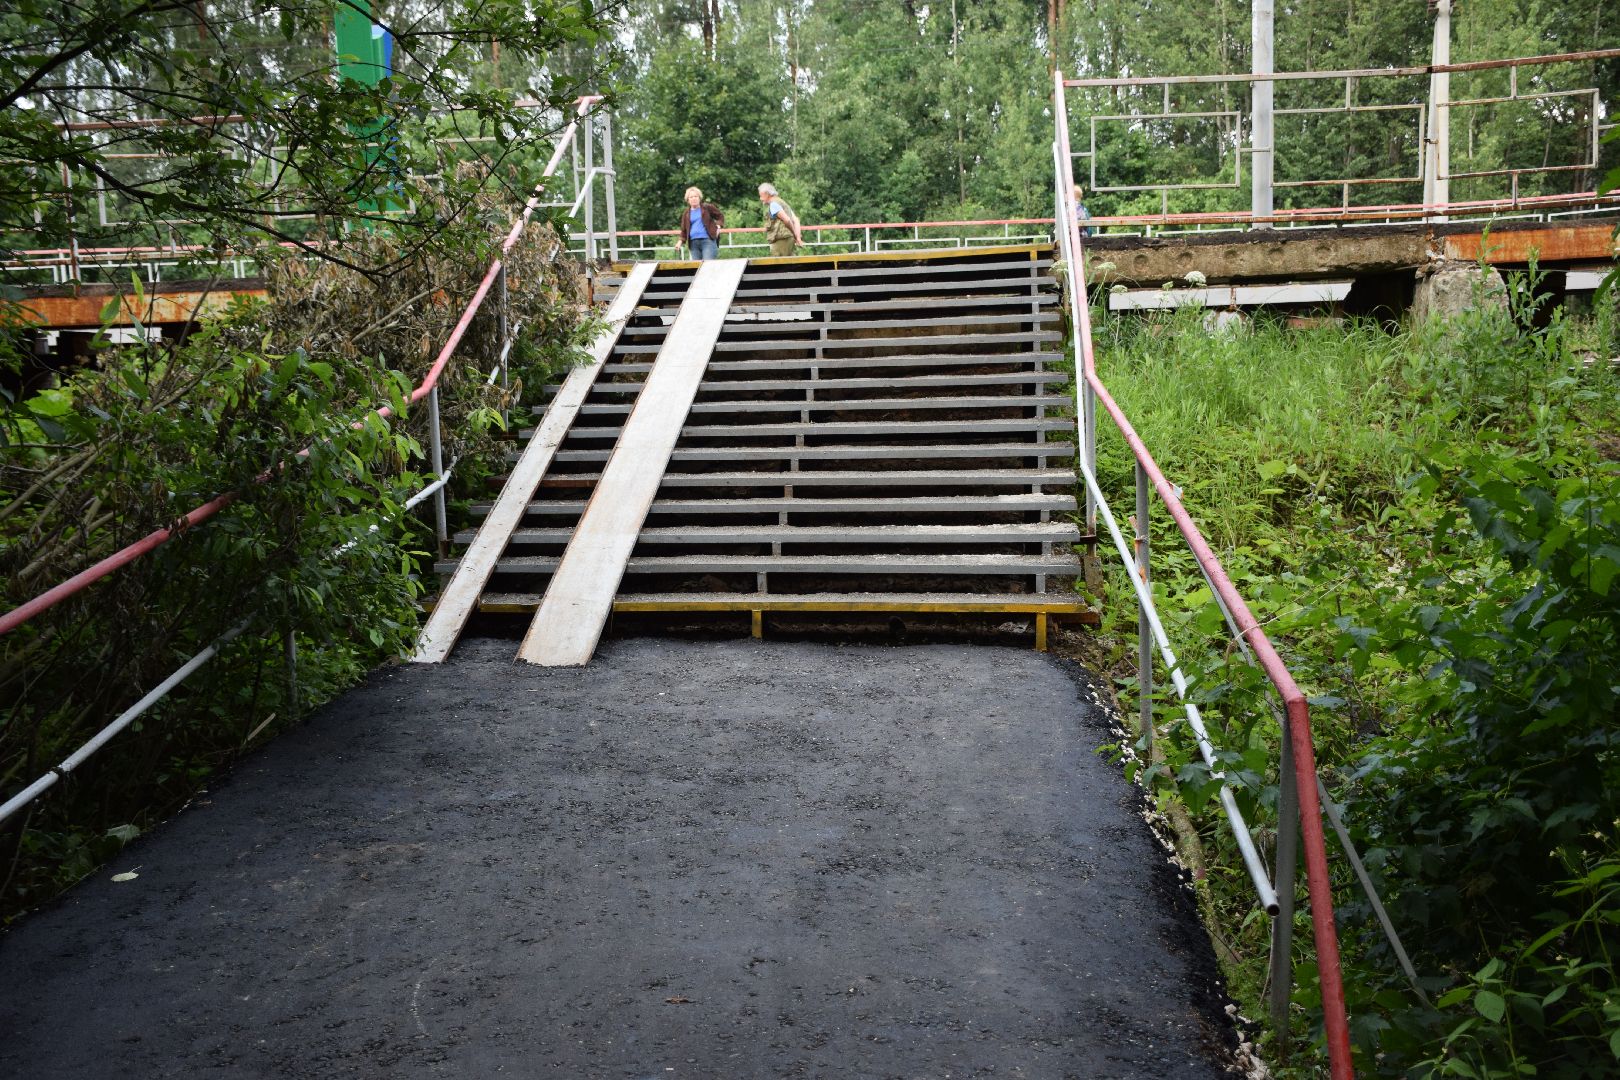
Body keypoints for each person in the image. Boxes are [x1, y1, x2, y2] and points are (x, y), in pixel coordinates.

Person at [679, 186, 724, 261]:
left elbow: (720, 216)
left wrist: (718, 226)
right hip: (693, 243)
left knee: (707, 264)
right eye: (691, 197)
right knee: (697, 265)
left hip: (708, 241)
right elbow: (684, 230)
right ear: (688, 200)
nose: (694, 198)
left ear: (699, 198)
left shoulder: (707, 207)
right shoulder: (686, 213)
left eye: (696, 196)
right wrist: (680, 241)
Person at [757, 182, 802, 257]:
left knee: (778, 262)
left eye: (761, 196)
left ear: (767, 194)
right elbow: (796, 220)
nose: (760, 199)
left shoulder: (773, 205)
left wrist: (794, 234)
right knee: (789, 260)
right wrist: (798, 237)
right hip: (788, 239)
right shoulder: (783, 203)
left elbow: (787, 220)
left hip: (781, 240)